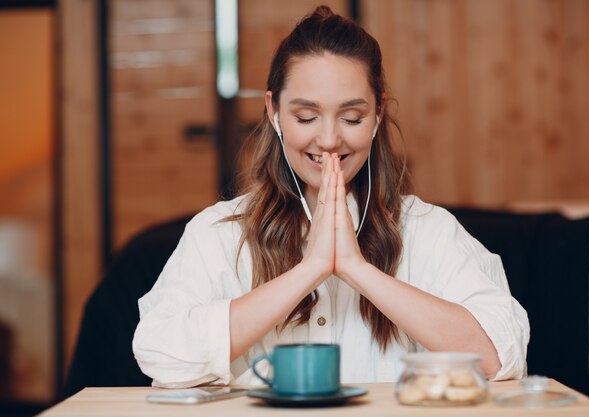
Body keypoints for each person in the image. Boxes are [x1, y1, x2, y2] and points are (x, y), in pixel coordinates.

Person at [132, 6, 529, 388]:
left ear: (377, 115)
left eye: (352, 118)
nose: (328, 140)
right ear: (274, 113)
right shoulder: (218, 233)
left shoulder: (429, 231)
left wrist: (356, 268)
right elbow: (161, 355)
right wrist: (310, 270)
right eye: (306, 117)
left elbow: (499, 356)